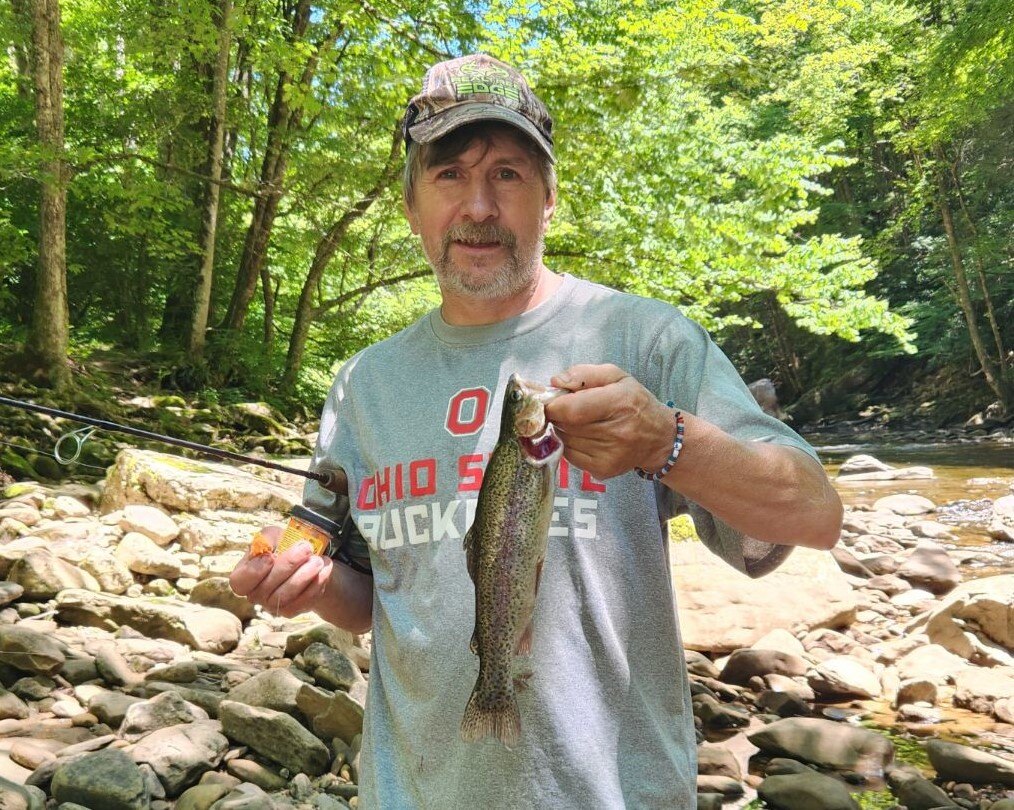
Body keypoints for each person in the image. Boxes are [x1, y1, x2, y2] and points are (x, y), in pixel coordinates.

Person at [230, 53, 843, 809]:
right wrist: (313, 585)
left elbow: (814, 514)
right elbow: (371, 601)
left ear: (549, 198)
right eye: (449, 175)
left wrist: (665, 440)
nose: (479, 206)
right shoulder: (365, 385)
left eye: (509, 175)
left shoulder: (644, 339)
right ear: (412, 204)